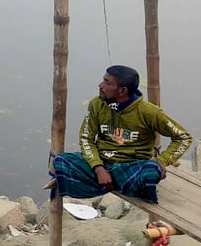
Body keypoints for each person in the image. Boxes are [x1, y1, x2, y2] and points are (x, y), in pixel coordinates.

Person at [52, 65, 192, 203]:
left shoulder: (149, 112)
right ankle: (117, 183)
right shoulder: (97, 104)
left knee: (151, 171)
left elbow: (183, 137)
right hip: (102, 161)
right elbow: (86, 138)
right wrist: (98, 168)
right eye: (103, 80)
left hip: (131, 166)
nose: (100, 85)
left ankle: (106, 183)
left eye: (107, 83)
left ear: (122, 91)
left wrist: (162, 161)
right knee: (61, 161)